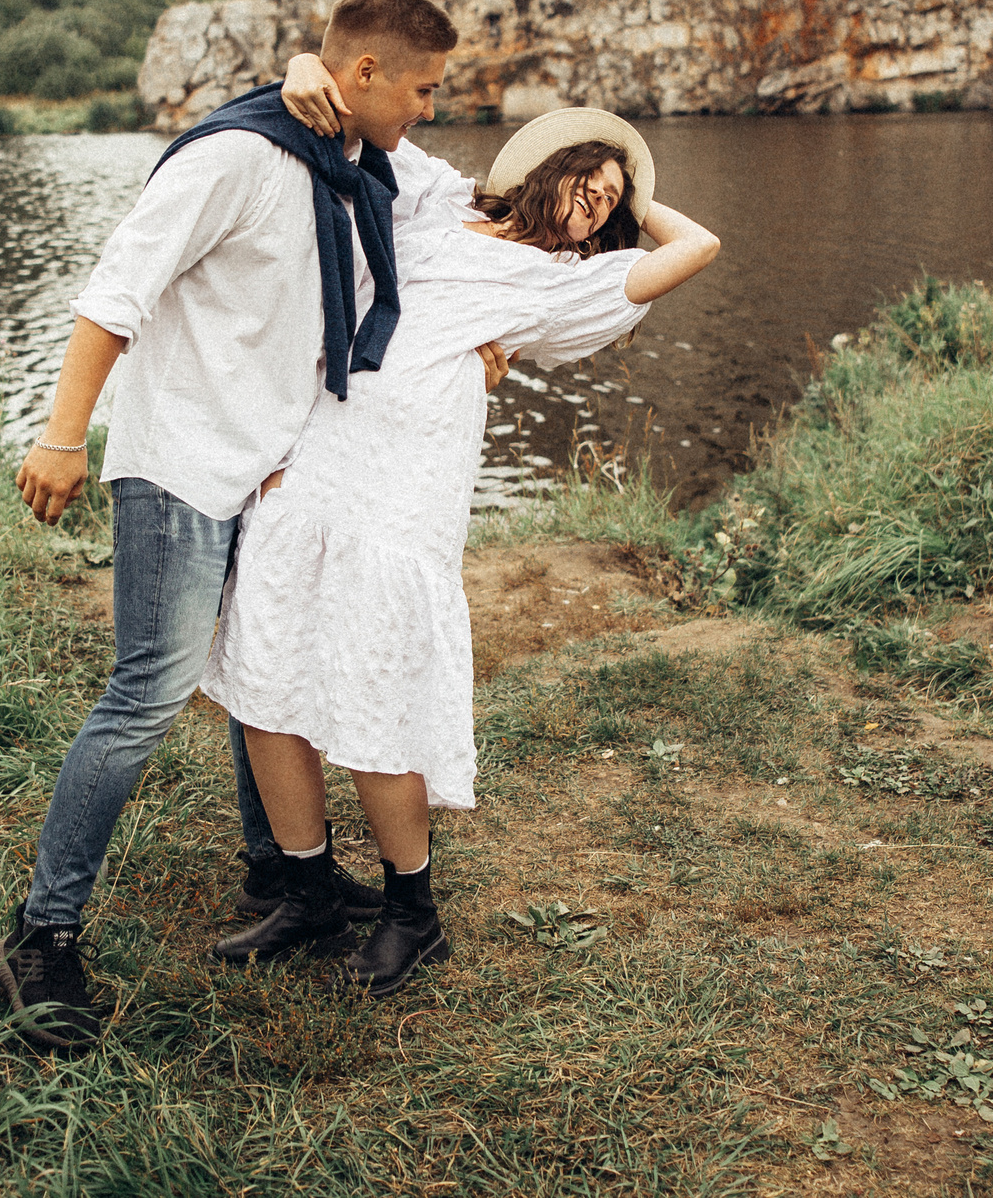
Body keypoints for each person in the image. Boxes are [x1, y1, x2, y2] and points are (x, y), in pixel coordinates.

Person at [0, 0, 492, 1053]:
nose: (428, 110)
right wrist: (61, 432)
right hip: (179, 463)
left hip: (274, 469)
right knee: (150, 692)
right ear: (362, 74)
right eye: (420, 90)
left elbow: (499, 204)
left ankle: (285, 878)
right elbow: (116, 287)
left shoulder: (370, 163)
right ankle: (41, 933)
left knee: (259, 664)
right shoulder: (233, 156)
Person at [199, 105, 721, 996]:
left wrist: (638, 189)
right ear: (546, 167)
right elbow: (366, 130)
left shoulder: (558, 281)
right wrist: (299, 74)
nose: (596, 207)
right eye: (588, 183)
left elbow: (698, 245)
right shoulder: (440, 204)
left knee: (374, 692)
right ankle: (310, 887)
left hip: (402, 497)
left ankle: (413, 913)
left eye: (609, 205)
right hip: (313, 466)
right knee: (267, 680)